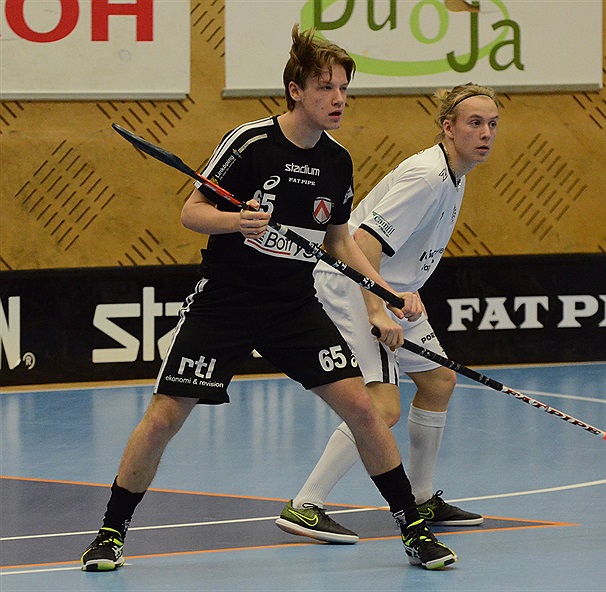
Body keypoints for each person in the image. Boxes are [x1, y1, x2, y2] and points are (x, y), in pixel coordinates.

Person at [80, 25, 458, 572]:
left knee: (364, 408)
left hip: (293, 306)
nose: (338, 99)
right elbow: (192, 212)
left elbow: (339, 241)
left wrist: (382, 291)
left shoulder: (337, 161)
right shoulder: (250, 143)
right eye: (326, 88)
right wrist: (236, 221)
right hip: (226, 302)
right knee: (164, 417)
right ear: (295, 90)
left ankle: (414, 531)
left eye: (344, 89)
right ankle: (110, 533)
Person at [275, 83, 499, 544]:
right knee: (381, 407)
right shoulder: (427, 177)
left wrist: (400, 293)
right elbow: (364, 242)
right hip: (355, 286)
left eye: (492, 124)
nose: (485, 133)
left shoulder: (455, 174)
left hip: (389, 290)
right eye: (474, 123)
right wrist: (378, 310)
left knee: (438, 381)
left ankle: (422, 498)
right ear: (448, 127)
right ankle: (306, 504)